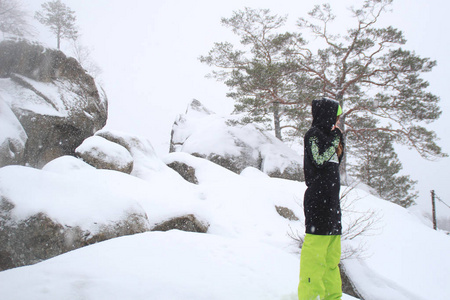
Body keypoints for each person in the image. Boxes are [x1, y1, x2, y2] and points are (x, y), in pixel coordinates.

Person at [298, 97, 344, 300]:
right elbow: (318, 159)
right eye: (335, 118)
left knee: (331, 261)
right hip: (318, 204)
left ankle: (332, 297)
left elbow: (333, 164)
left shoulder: (330, 136)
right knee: (314, 260)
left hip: (333, 206)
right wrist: (335, 140)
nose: (337, 122)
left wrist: (338, 141)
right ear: (327, 115)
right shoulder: (313, 135)